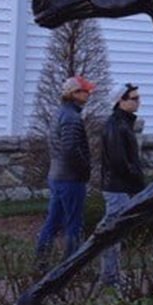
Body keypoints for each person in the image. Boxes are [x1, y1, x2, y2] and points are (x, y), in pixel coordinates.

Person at [35, 75, 96, 270]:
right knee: (74, 223)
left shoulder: (61, 113)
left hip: (58, 175)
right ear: (74, 93)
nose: (89, 94)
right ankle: (71, 266)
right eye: (85, 91)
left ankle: (41, 262)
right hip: (70, 178)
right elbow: (71, 149)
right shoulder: (71, 117)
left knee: (53, 221)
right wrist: (85, 167)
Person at [99, 83, 145, 288]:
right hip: (117, 187)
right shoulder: (116, 125)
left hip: (120, 186)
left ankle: (111, 276)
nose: (138, 102)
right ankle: (110, 278)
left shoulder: (123, 123)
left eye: (138, 98)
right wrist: (135, 177)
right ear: (121, 101)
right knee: (112, 234)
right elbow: (119, 161)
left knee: (113, 232)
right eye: (133, 99)